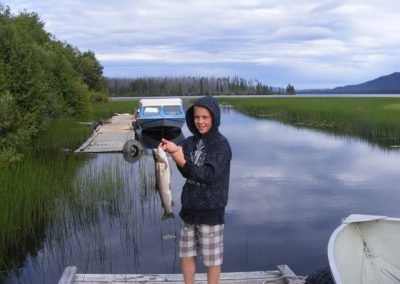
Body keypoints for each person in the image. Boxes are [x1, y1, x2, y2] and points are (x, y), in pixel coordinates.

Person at [160, 96, 232, 284]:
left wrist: (181, 159)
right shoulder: (190, 142)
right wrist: (175, 151)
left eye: (205, 117)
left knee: (212, 260)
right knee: (186, 255)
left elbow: (209, 175)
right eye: (196, 117)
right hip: (188, 210)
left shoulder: (221, 145)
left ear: (214, 118)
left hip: (211, 211)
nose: (200, 121)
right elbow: (187, 171)